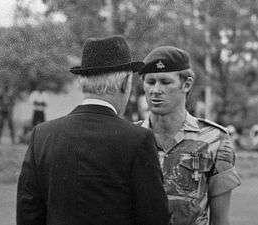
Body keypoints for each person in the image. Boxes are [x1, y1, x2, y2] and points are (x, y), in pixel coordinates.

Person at [17, 36, 170, 225]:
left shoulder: (43, 134)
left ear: (83, 82)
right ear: (125, 83)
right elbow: (154, 218)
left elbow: (28, 213)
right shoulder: (138, 139)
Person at [137, 46, 241, 225]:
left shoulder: (215, 140)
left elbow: (220, 220)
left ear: (187, 84)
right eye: (150, 82)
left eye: (165, 82)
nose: (156, 90)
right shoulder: (130, 138)